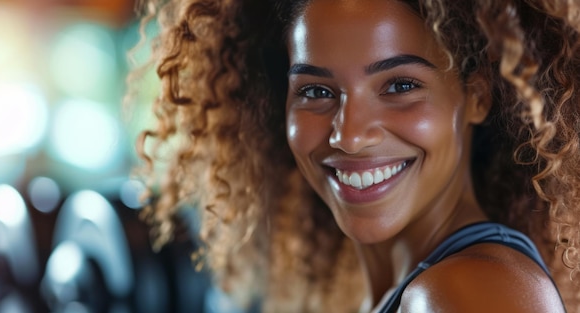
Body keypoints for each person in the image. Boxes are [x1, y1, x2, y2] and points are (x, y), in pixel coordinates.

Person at [131, 0, 580, 311]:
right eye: (316, 91)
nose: (348, 135)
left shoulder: (467, 294)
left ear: (477, 97)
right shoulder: (398, 293)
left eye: (400, 86)